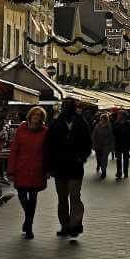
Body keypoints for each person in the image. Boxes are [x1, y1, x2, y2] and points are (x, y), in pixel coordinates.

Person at [44, 98, 92, 237]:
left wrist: (82, 157)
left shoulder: (81, 122)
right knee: (62, 198)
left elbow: (88, 143)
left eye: (68, 106)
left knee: (75, 196)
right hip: (59, 167)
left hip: (75, 166)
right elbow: (49, 145)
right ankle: (65, 225)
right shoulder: (56, 123)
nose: (66, 109)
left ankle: (75, 223)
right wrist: (50, 166)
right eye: (64, 106)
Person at [8, 106, 49, 239]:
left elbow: (48, 152)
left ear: (42, 118)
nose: (36, 116)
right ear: (30, 116)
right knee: (21, 195)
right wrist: (11, 169)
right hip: (21, 168)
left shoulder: (45, 132)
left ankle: (29, 226)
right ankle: (28, 217)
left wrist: (48, 169)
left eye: (39, 115)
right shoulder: (21, 130)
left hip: (37, 169)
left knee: (33, 198)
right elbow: (14, 150)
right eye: (34, 114)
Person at [112, 110, 130, 180]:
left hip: (126, 144)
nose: (118, 116)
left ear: (124, 116)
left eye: (119, 115)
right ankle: (119, 173)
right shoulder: (115, 124)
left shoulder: (129, 125)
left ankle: (125, 172)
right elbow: (113, 134)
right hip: (118, 144)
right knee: (118, 160)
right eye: (118, 115)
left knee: (125, 160)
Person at [91, 113, 114, 179]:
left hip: (106, 146)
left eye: (104, 119)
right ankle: (98, 165)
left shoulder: (110, 127)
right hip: (98, 145)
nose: (102, 120)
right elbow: (94, 135)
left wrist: (112, 147)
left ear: (106, 120)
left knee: (104, 159)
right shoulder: (97, 126)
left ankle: (104, 172)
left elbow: (111, 137)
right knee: (99, 158)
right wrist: (93, 144)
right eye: (102, 119)